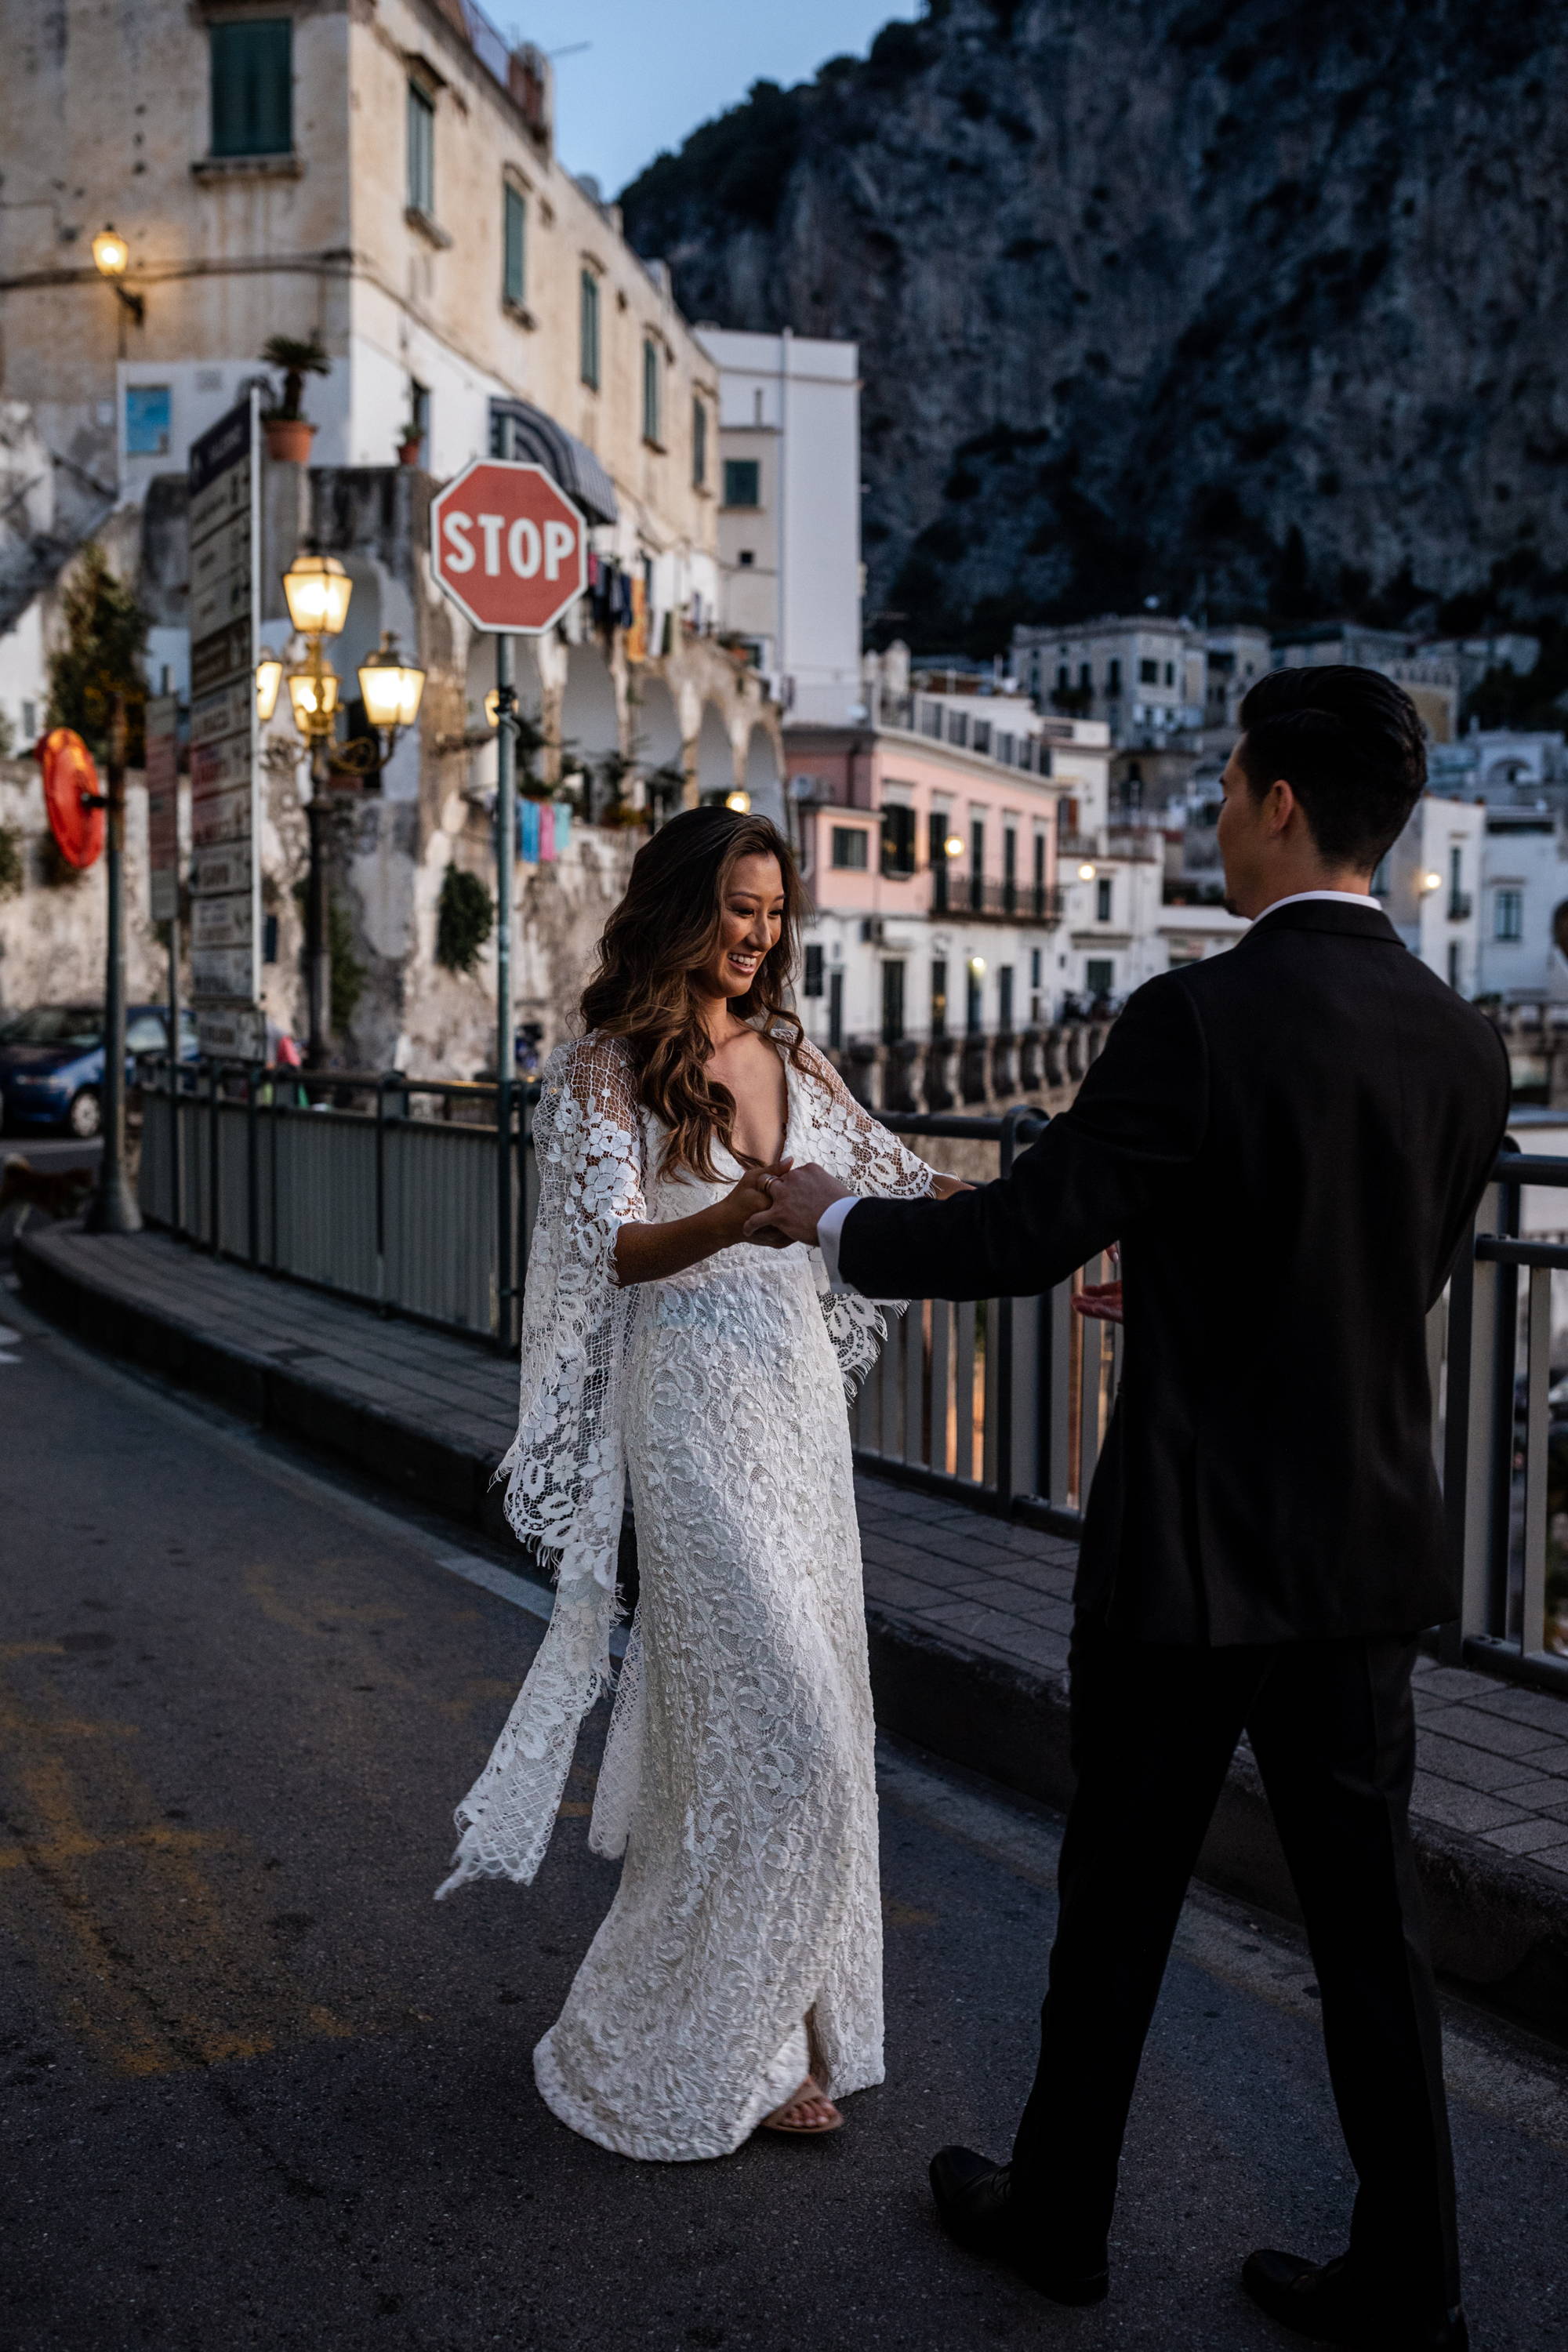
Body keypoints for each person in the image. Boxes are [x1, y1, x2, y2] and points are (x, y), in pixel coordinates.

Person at [750, 668, 1509, 2349]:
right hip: (1369, 1548)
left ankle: (1061, 2219)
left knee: (1118, 1899)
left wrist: (827, 1219)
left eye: (1227, 789)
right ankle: (1415, 2280)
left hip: (1189, 1544)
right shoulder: (1461, 1046)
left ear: (1281, 807)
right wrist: (1168, 1269)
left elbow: (1018, 1234)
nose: (1212, 817)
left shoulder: (1192, 1018)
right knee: (1371, 1934)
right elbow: (1371, 1283)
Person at [436, 804, 964, 2160]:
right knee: (783, 1728)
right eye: (739, 906)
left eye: (776, 913)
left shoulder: (792, 1054)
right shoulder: (610, 1070)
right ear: (681, 906)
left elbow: (898, 1183)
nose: (760, 935)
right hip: (685, 1419)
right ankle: (674, 2031)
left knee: (792, 1728)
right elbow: (607, 1250)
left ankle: (783, 2031)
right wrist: (728, 1214)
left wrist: (1059, 1207)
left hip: (790, 1415)